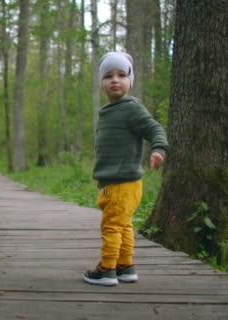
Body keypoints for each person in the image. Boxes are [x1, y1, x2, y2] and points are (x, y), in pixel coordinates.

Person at [83, 52, 169, 286]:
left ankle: (107, 269)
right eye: (109, 76)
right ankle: (125, 265)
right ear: (102, 82)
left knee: (111, 226)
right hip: (113, 182)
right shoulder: (108, 111)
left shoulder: (132, 108)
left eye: (122, 75)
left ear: (131, 81)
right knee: (123, 225)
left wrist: (158, 149)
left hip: (124, 182)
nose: (115, 80)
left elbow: (154, 129)